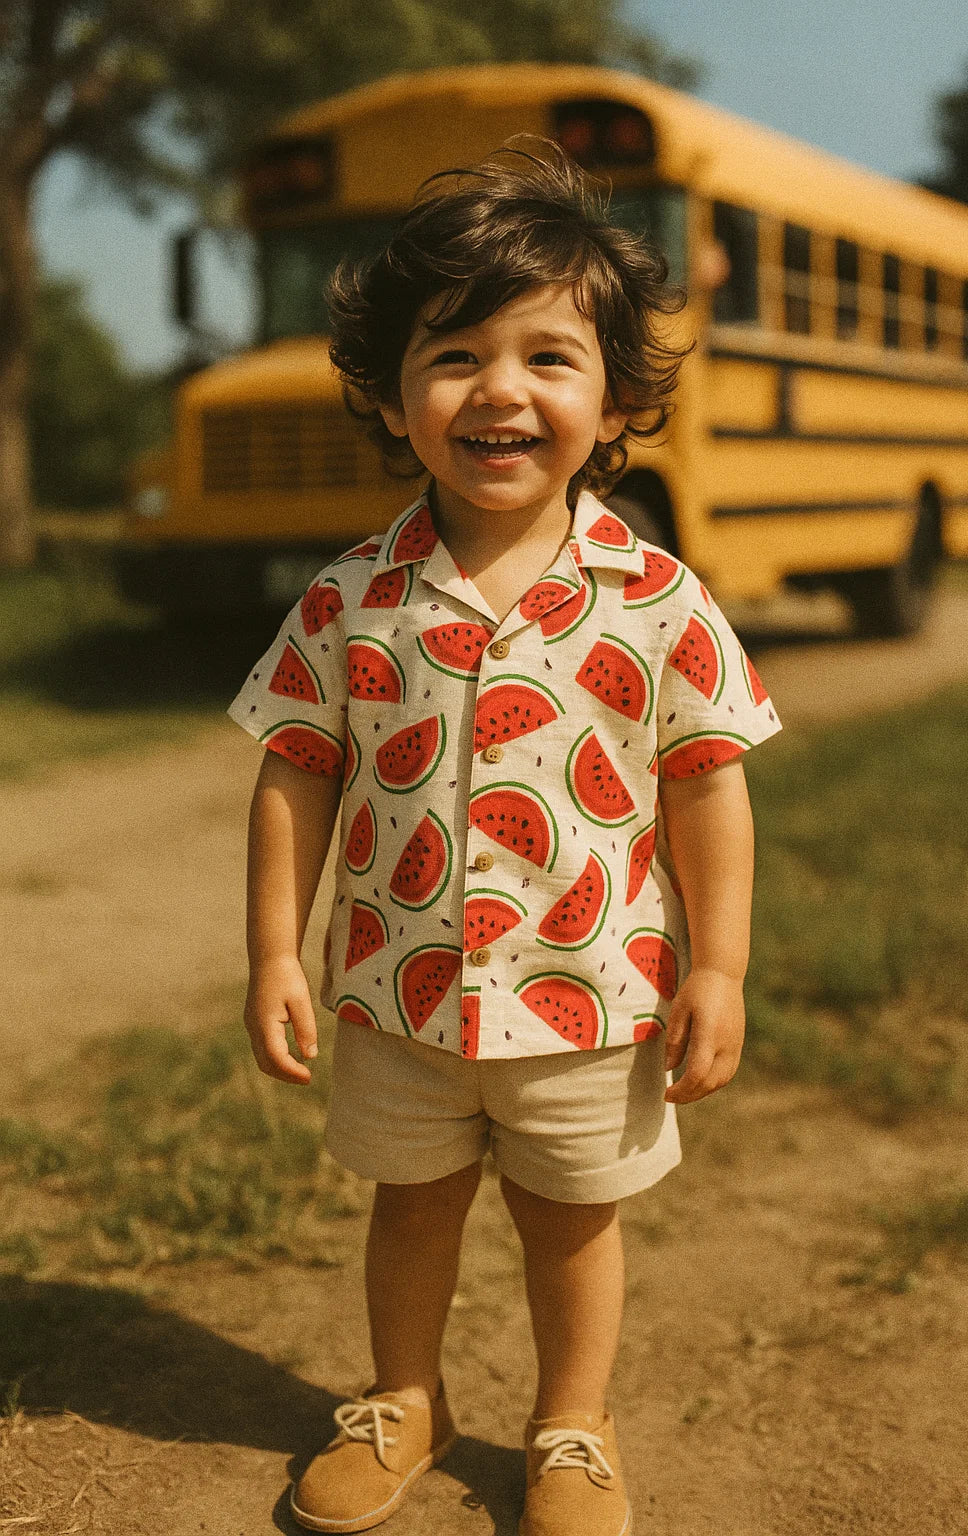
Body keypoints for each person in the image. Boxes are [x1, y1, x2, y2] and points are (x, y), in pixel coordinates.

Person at [227, 139, 781, 1536]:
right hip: (397, 992)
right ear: (391, 392)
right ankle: (405, 1399)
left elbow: (709, 786)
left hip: (593, 998)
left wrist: (720, 969)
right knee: (409, 1207)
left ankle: (573, 1425)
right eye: (456, 355)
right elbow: (295, 773)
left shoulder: (657, 598)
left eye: (549, 357)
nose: (500, 390)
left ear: (617, 398)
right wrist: (274, 953)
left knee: (571, 1221)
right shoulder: (352, 598)